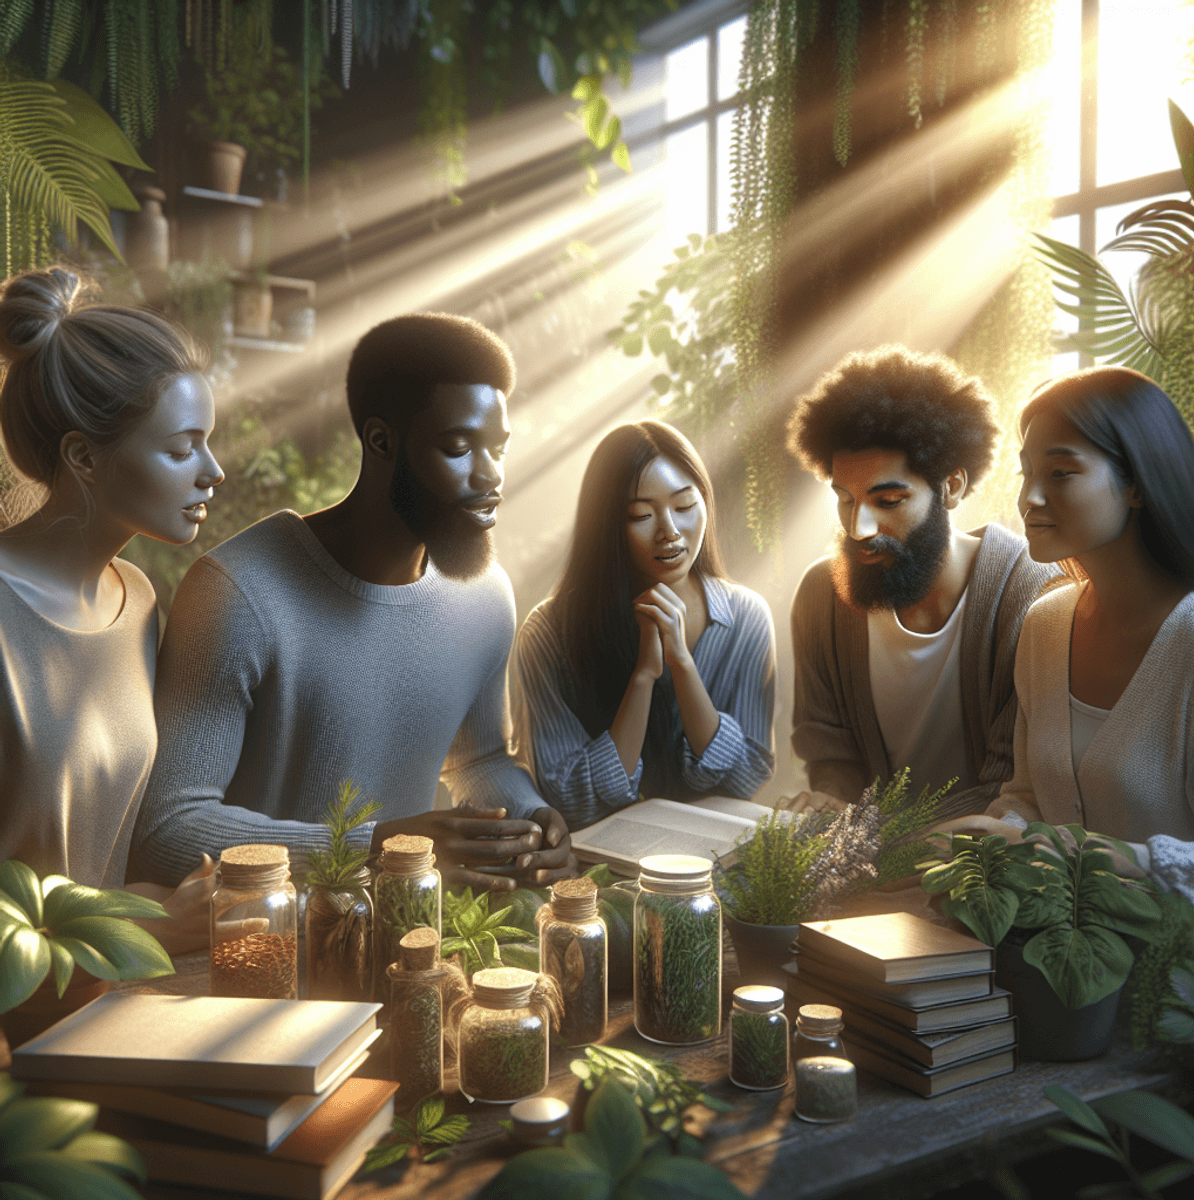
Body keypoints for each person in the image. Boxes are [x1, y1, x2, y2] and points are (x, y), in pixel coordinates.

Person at [131, 312, 572, 891]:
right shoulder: (236, 591)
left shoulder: (487, 599)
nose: (489, 477)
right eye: (459, 448)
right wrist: (381, 850)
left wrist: (528, 818)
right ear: (381, 440)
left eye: (498, 449)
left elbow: (479, 759)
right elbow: (168, 829)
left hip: (408, 945)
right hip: (259, 955)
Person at [0, 266, 223, 952]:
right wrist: (135, 918)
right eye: (182, 448)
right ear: (84, 457)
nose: (212, 471)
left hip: (118, 1001)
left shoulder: (138, 603)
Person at [785, 345, 1059, 820]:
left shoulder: (1032, 593)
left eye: (887, 501)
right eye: (846, 500)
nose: (859, 528)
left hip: (982, 871)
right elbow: (828, 749)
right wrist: (830, 801)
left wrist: (876, 840)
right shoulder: (821, 595)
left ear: (951, 486)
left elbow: (1013, 788)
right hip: (869, 866)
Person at [979, 367, 1194, 904]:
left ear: (1137, 485)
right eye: (1025, 472)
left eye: (1059, 473)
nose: (1028, 497)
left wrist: (1117, 859)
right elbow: (1029, 794)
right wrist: (993, 834)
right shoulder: (1045, 625)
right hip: (1057, 963)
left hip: (1173, 980)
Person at [509, 420, 776, 830]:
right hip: (595, 869)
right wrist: (644, 677)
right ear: (607, 525)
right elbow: (568, 798)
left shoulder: (746, 617)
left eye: (685, 507)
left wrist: (683, 666)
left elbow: (744, 779)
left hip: (713, 860)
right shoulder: (548, 633)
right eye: (642, 514)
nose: (669, 531)